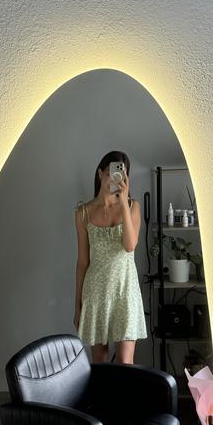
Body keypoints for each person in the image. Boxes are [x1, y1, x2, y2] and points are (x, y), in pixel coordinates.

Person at [74, 150, 147, 364]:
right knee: (100, 361)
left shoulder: (133, 207)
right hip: (96, 292)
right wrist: (77, 306)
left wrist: (123, 202)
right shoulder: (83, 213)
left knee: (125, 362)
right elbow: (82, 262)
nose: (114, 179)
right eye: (110, 173)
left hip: (125, 291)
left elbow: (129, 246)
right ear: (100, 174)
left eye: (121, 175)